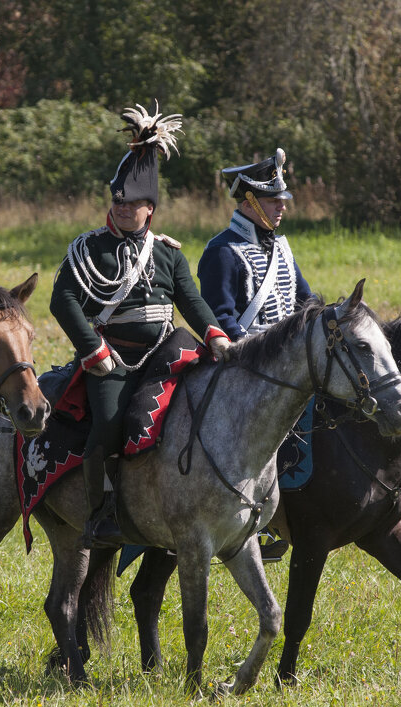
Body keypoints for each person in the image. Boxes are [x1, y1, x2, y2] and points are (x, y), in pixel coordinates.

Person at [50, 104, 231, 550]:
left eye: (133, 204)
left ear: (150, 209)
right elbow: (63, 301)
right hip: (109, 358)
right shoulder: (89, 249)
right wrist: (93, 350)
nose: (124, 209)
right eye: (119, 202)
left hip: (164, 353)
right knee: (108, 427)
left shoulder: (168, 254)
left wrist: (215, 334)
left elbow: (190, 299)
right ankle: (102, 513)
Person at [197, 147, 312, 560]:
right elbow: (220, 319)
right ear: (248, 202)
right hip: (242, 366)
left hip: (288, 364)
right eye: (272, 199)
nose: (281, 206)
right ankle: (258, 518)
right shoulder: (222, 252)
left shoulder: (282, 248)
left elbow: (304, 299)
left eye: (282, 199)